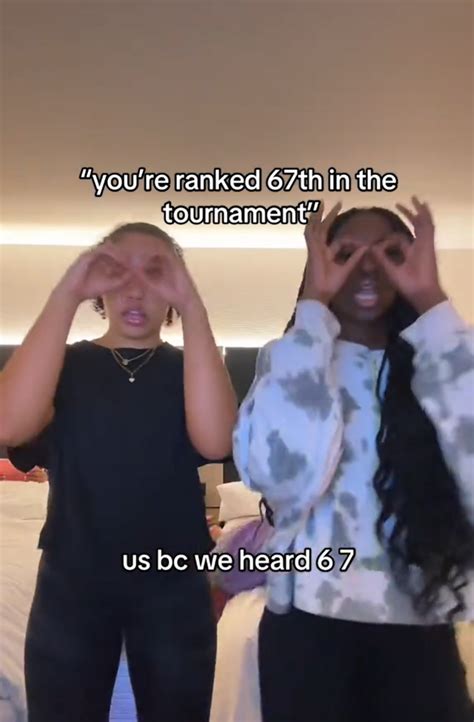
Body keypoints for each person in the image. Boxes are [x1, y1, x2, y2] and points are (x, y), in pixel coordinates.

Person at [233, 199, 474, 722]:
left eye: (390, 253)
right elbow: (280, 476)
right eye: (346, 254)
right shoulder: (288, 356)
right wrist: (312, 311)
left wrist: (431, 301)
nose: (368, 267)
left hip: (421, 626)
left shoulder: (442, 357)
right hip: (307, 627)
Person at [0, 222, 237, 722]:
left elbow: (217, 442)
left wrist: (194, 307)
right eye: (118, 272)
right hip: (73, 574)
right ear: (98, 286)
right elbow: (9, 425)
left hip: (173, 578)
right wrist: (67, 291)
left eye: (156, 274)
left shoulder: (193, 368)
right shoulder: (61, 364)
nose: (135, 289)